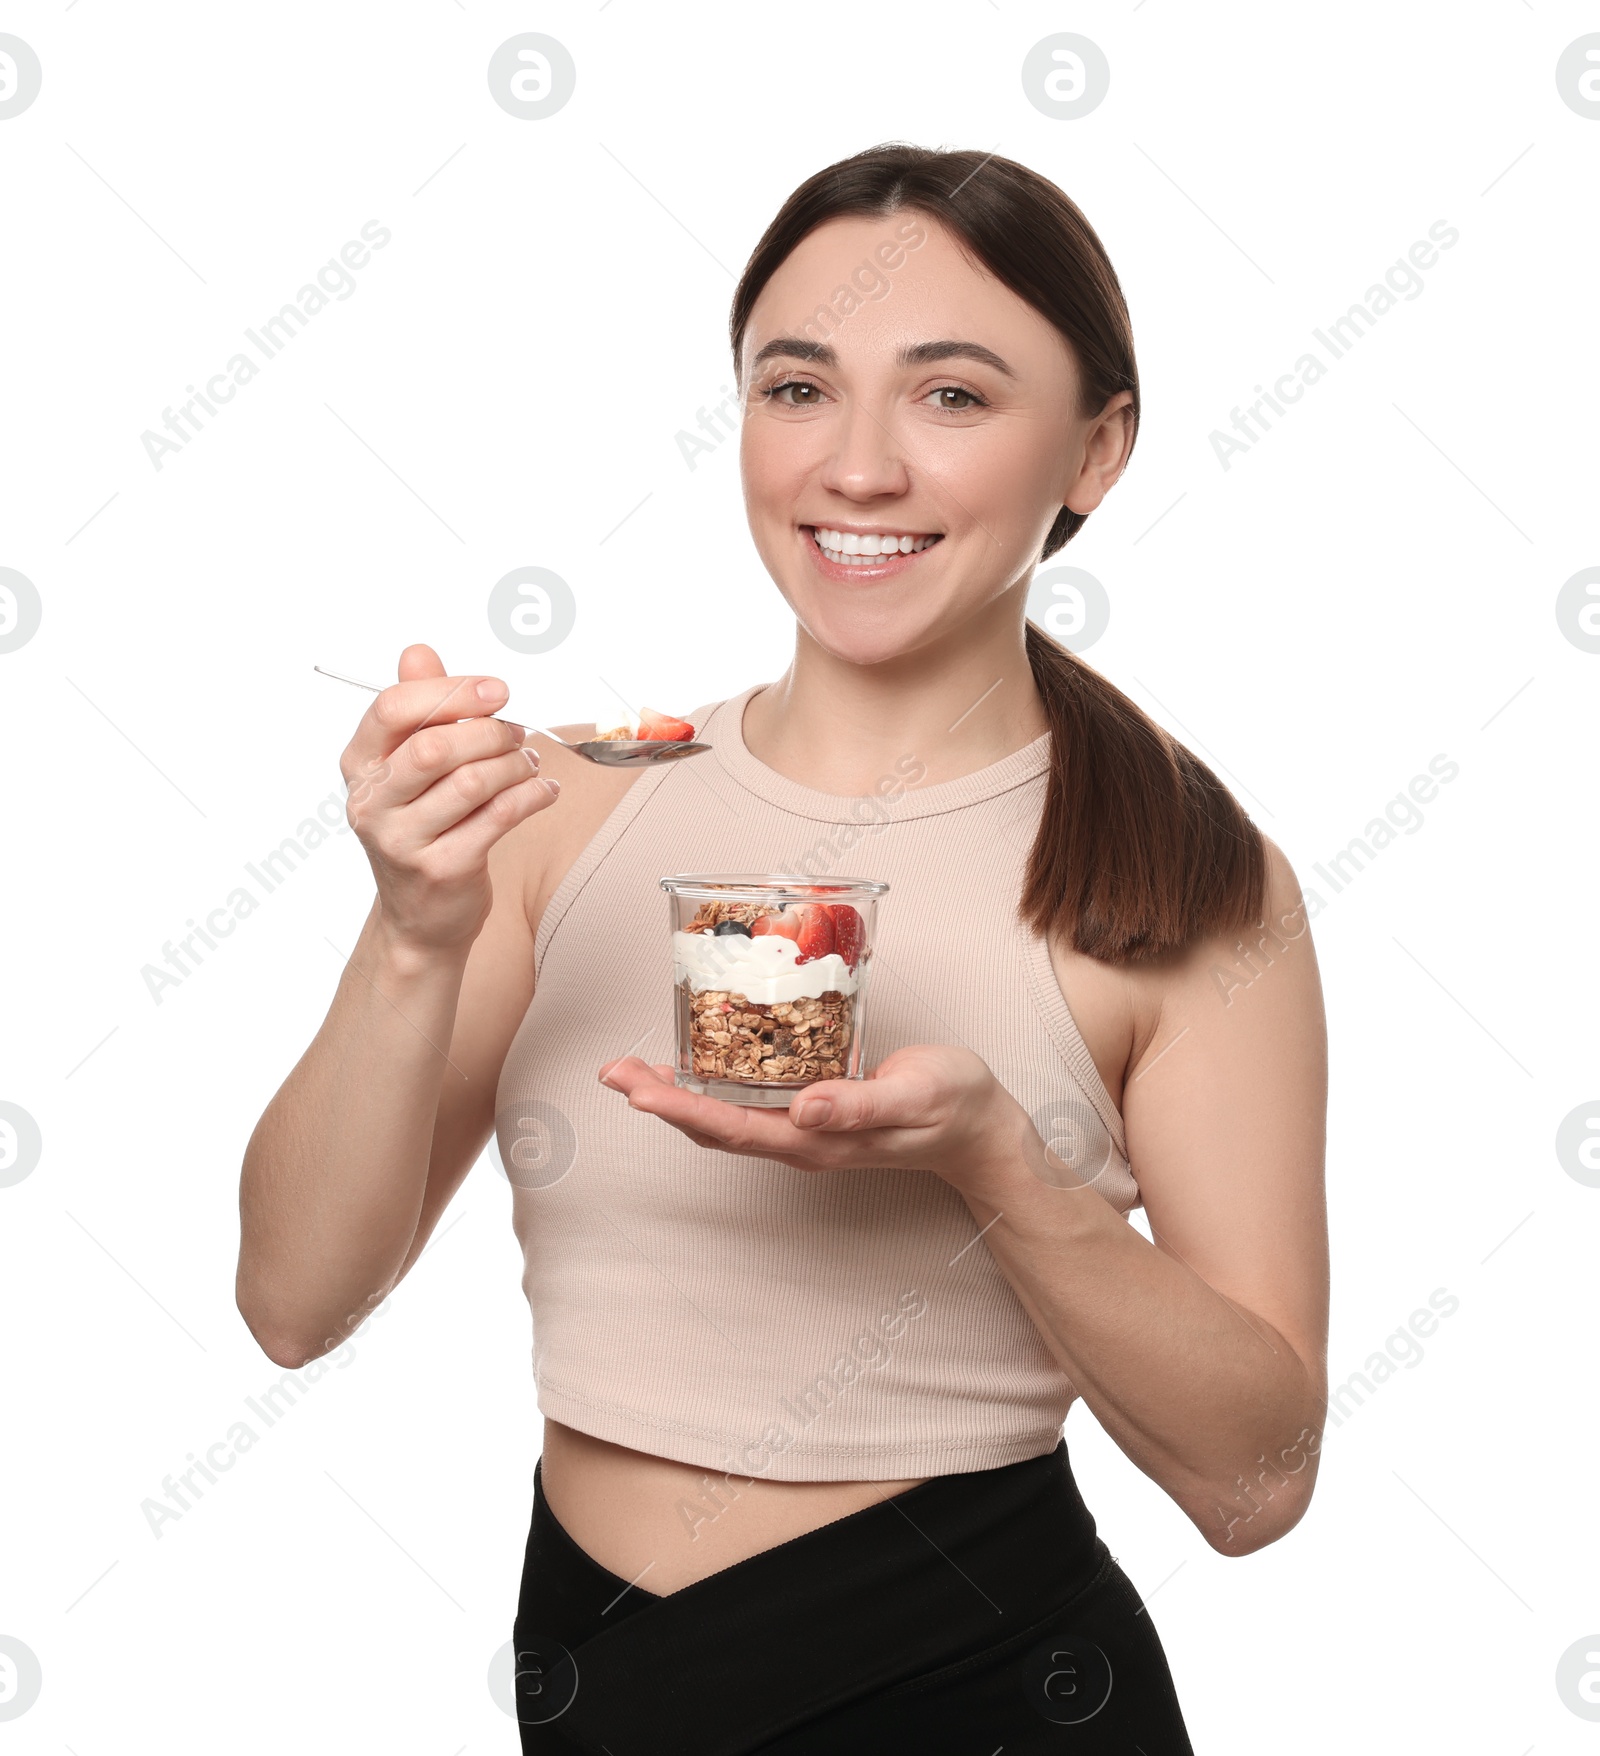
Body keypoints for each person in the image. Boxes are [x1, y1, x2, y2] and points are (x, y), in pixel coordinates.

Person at [237, 142, 1329, 1753]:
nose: (859, 468)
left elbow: (1257, 1483)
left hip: (990, 1687)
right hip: (604, 1679)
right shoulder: (560, 804)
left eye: (953, 397)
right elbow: (291, 1304)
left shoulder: (1182, 880)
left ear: (1097, 448)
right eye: (798, 388)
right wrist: (412, 937)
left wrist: (1000, 1170)